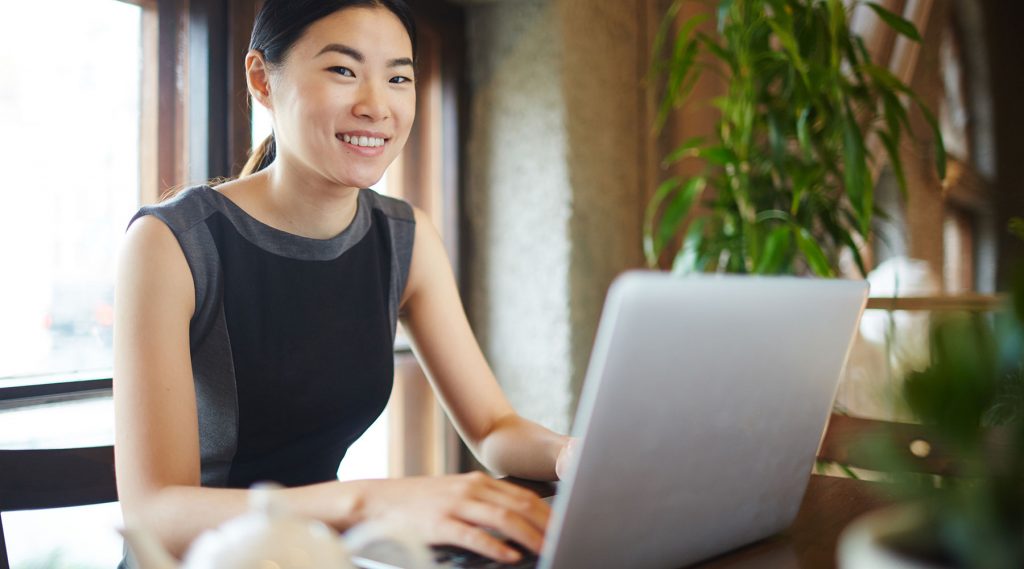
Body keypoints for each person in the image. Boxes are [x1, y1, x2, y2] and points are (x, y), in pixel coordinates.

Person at [113, 0, 574, 566]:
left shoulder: (404, 236)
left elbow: (493, 427)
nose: (376, 106)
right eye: (343, 71)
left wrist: (568, 454)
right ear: (261, 79)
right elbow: (153, 513)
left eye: (398, 78)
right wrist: (375, 502)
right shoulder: (172, 241)